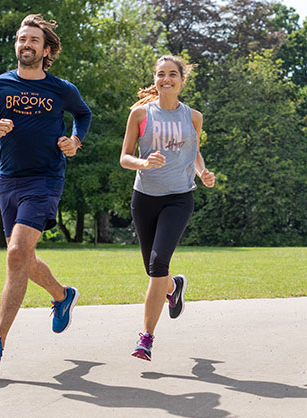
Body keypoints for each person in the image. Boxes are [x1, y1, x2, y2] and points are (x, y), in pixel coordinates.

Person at [0, 14, 91, 369]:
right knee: (22, 257)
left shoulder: (61, 89)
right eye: (22, 39)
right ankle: (62, 295)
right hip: (9, 180)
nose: (26, 45)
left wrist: (74, 141)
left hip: (46, 179)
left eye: (33, 40)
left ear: (46, 49)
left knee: (17, 253)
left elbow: (83, 115)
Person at [120, 55, 215, 361]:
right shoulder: (139, 114)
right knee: (154, 269)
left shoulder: (193, 117)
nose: (166, 79)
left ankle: (145, 339)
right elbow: (124, 158)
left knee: (158, 265)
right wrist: (144, 163)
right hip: (144, 198)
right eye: (161, 75)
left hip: (178, 198)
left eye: (172, 74)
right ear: (155, 79)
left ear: (182, 81)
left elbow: (194, 153)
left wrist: (203, 172)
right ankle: (174, 286)